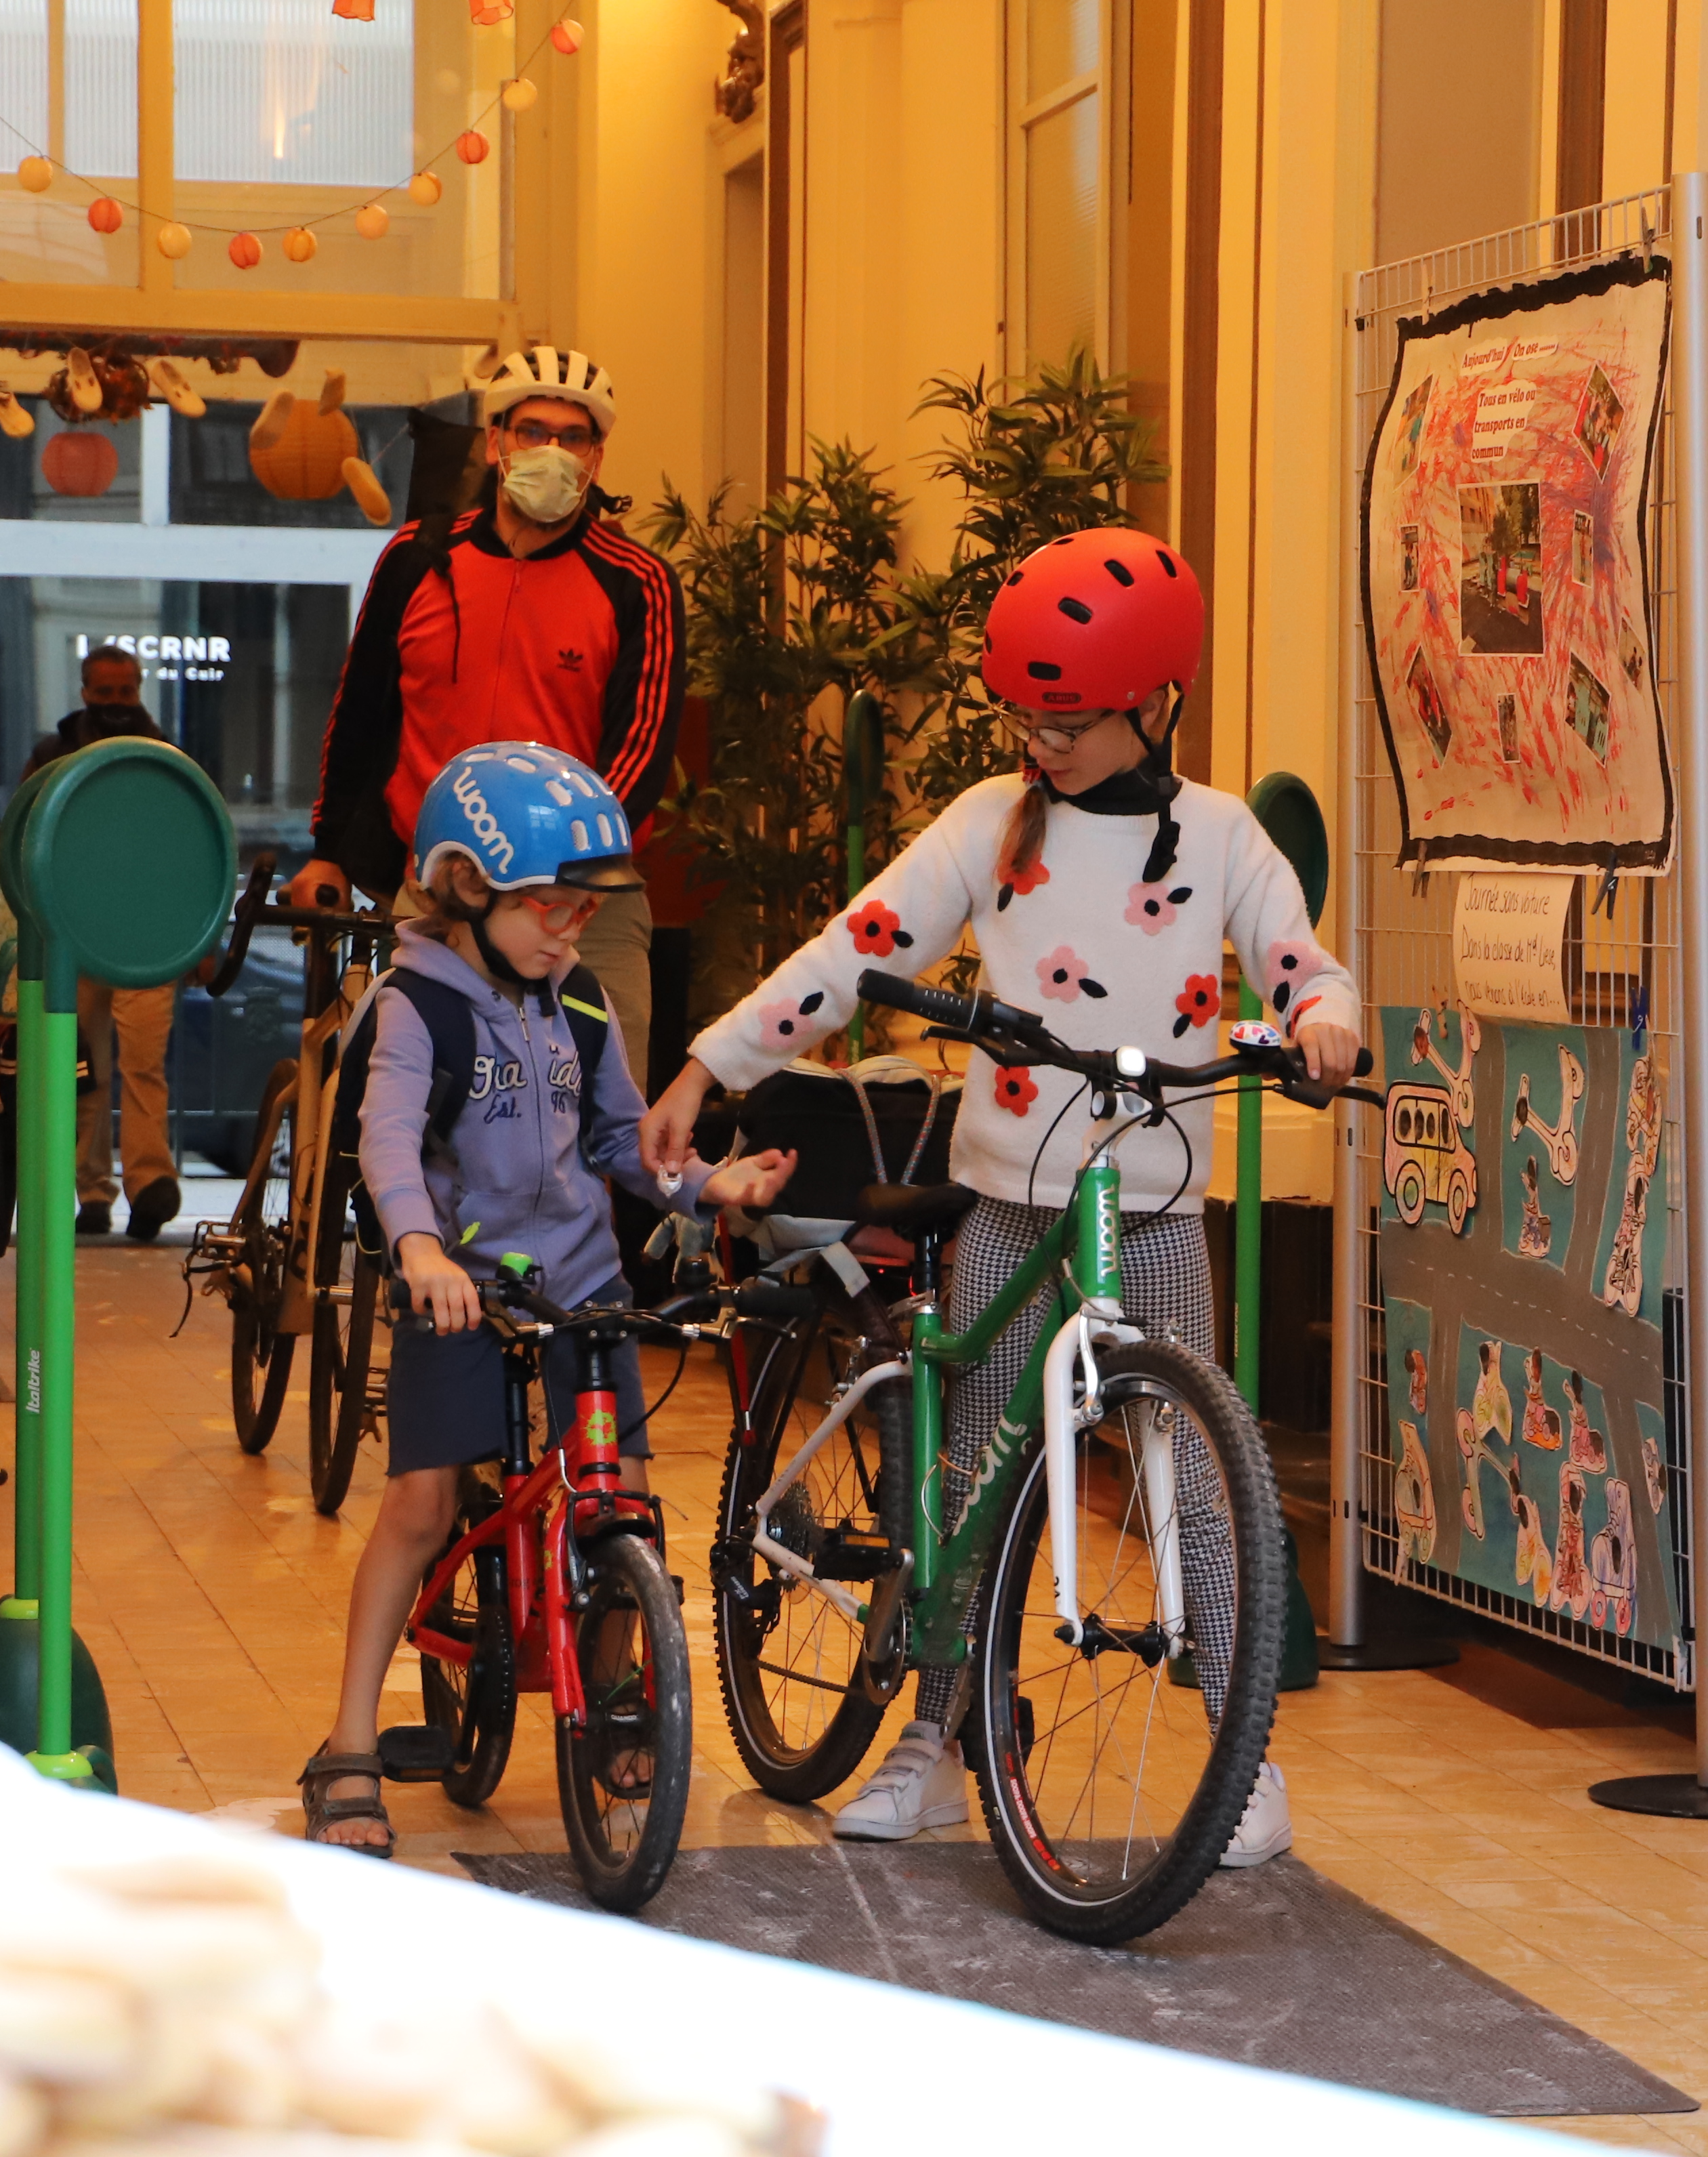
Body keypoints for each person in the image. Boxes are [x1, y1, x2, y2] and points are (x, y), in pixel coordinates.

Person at [638, 526, 1361, 1866]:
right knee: (974, 1472)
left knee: (1196, 1479)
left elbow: (1300, 957)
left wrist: (1322, 1017)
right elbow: (850, 955)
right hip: (1015, 1206)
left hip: (1152, 1210)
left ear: (1157, 703)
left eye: (1073, 713)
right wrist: (706, 1063)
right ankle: (940, 1735)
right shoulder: (990, 821)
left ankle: (1235, 1748)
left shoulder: (1223, 836)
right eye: (1028, 711)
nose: (1046, 735)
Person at [301, 743, 793, 1858]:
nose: (571, 932)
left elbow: (624, 1140)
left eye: (582, 910)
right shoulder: (415, 1003)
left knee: (616, 1502)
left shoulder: (577, 1003)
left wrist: (716, 1184)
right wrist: (419, 1250)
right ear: (465, 888)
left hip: (583, 1292)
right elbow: (384, 1140)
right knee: (423, 1509)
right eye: (547, 910)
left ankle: (616, 1692)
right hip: (460, 1295)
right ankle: (347, 1745)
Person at [288, 347, 680, 1036]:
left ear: (597, 456)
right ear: (496, 442)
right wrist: (327, 849)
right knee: (426, 1113)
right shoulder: (417, 558)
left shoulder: (636, 581)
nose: (552, 451)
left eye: (573, 436)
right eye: (533, 431)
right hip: (442, 895)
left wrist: (560, 869)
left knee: (603, 1123)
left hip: (585, 901)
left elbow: (640, 751)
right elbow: (359, 715)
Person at [27, 642, 184, 1240]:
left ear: (138, 688)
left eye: (127, 690)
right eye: (107, 691)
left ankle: (148, 1187)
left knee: (143, 1066)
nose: (118, 701)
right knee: (84, 1071)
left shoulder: (165, 754)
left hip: (150, 938)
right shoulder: (53, 755)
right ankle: (92, 1193)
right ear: (86, 690)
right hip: (74, 935)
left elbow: (186, 848)